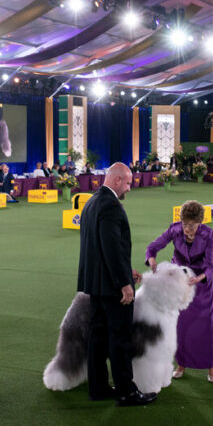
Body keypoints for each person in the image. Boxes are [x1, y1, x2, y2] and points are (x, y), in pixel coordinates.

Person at [77, 162, 153, 406]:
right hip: (111, 287)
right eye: (129, 183)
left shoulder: (91, 202)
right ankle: (126, 392)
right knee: (120, 338)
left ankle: (98, 387)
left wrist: (125, 269)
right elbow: (110, 246)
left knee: (97, 337)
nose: (129, 189)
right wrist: (124, 282)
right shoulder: (110, 205)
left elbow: (100, 246)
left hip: (95, 284)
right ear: (118, 180)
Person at [145, 200, 213, 383]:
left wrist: (199, 278)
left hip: (201, 285)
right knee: (180, 325)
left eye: (192, 226)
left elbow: (210, 265)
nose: (187, 229)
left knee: (207, 327)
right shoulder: (174, 229)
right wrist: (151, 259)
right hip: (178, 284)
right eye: (185, 224)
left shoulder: (208, 234)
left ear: (200, 222)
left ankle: (212, 366)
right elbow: (153, 247)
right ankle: (181, 363)